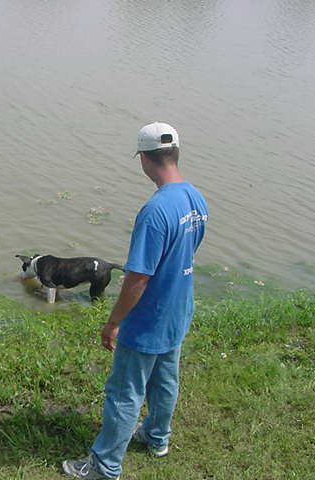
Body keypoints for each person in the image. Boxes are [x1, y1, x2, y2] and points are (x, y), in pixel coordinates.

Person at [62, 122, 209, 479]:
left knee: (124, 392)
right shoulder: (195, 198)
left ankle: (105, 466)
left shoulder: (155, 211)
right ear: (175, 154)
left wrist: (113, 322)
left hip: (148, 319)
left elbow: (138, 279)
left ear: (144, 159)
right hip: (178, 309)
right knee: (165, 379)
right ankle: (157, 438)